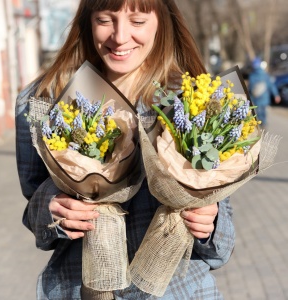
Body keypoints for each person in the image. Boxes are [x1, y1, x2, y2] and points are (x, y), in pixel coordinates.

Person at [15, 0, 235, 299]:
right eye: (105, 20)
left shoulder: (196, 100)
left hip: (178, 290)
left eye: (138, 21)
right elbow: (34, 209)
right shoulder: (44, 98)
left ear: (162, 21)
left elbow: (222, 245)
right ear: (87, 21)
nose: (120, 36)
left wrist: (209, 221)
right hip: (79, 288)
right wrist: (52, 207)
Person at [248, 57, 281, 127]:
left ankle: (261, 126)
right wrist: (276, 95)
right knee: (263, 112)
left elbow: (250, 89)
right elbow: (271, 86)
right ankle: (264, 125)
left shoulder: (252, 76)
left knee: (258, 113)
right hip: (264, 98)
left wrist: (249, 99)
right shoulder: (265, 74)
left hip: (256, 98)